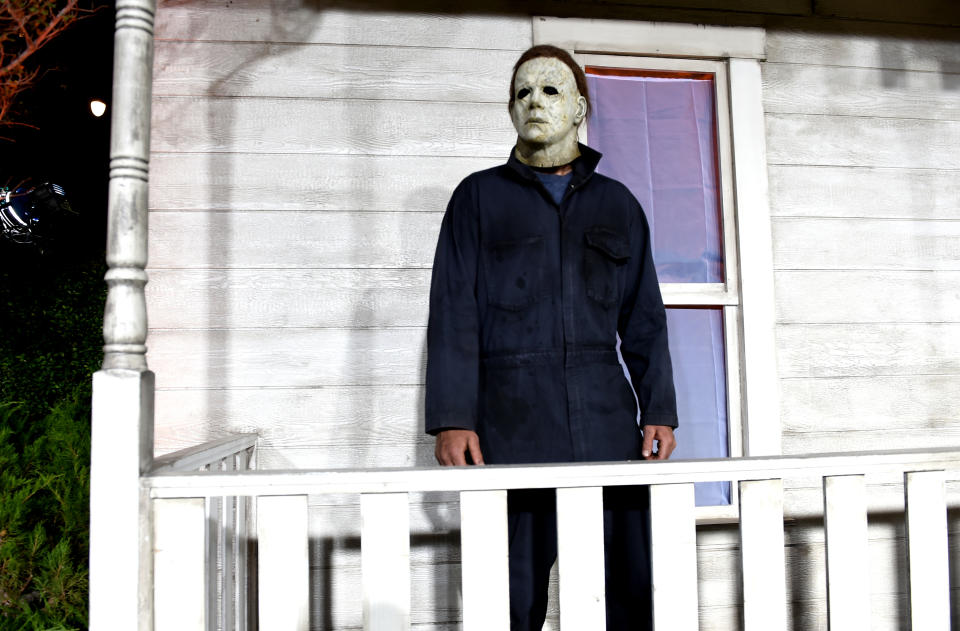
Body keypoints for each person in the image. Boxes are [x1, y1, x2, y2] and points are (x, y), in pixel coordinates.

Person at [425, 44, 679, 631]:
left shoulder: (618, 205)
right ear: (509, 111)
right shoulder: (477, 199)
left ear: (579, 107)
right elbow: (452, 311)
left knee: (628, 590)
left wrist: (658, 410)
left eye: (550, 90)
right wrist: (452, 417)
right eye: (521, 93)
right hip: (509, 426)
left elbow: (644, 317)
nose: (533, 103)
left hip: (606, 423)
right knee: (507, 598)